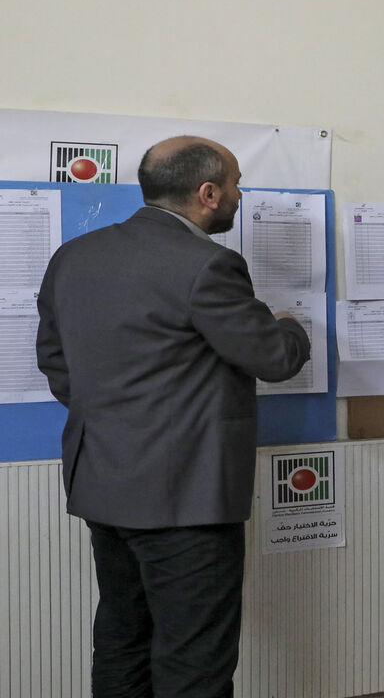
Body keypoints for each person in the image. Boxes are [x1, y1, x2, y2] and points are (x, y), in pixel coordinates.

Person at [36, 136, 312, 696]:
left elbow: (57, 364)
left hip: (103, 486)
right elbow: (275, 357)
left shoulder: (74, 257)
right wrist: (288, 322)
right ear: (208, 193)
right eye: (235, 184)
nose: (240, 194)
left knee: (122, 641)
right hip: (185, 500)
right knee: (194, 666)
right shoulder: (209, 265)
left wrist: (121, 423)